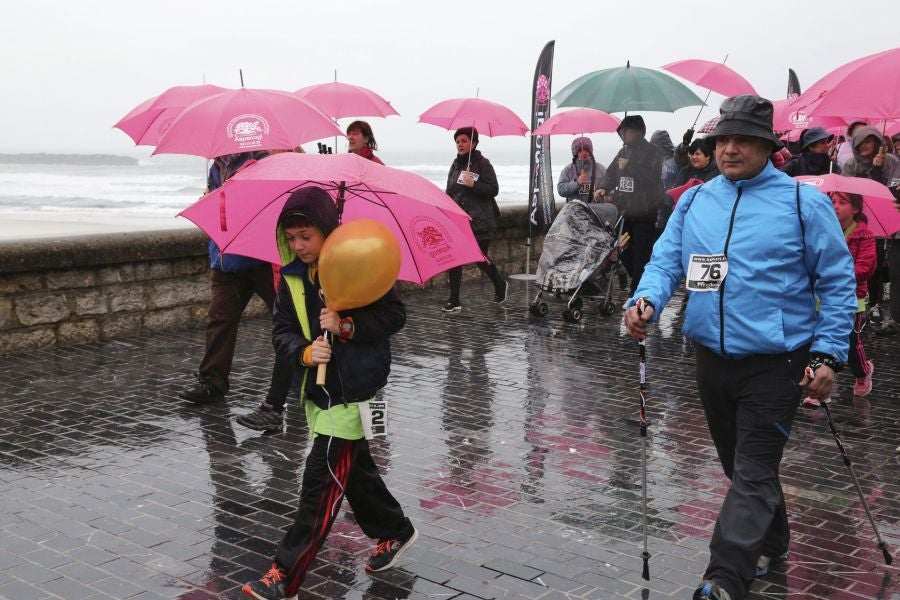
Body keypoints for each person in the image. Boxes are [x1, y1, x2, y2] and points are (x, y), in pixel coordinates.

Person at [623, 95, 856, 600]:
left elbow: (838, 283)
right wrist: (645, 300)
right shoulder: (694, 201)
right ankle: (774, 540)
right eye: (722, 140)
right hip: (710, 360)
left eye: (742, 140)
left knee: (752, 470)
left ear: (767, 147)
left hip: (778, 363)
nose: (729, 149)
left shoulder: (803, 204)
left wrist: (828, 353)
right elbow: (666, 261)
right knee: (742, 467)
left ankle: (725, 578)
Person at [242, 187, 417, 600]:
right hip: (318, 393)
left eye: (307, 236)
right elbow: (282, 332)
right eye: (292, 237)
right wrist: (305, 353)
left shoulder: (361, 259)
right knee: (354, 473)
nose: (299, 246)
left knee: (320, 483)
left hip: (356, 393)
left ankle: (285, 575)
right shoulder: (292, 279)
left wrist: (347, 327)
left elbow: (394, 316)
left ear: (327, 231)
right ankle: (396, 530)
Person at [180, 152, 293, 430]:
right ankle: (212, 382)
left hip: (262, 259)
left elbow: (270, 208)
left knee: (288, 321)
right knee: (219, 321)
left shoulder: (261, 162)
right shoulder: (215, 168)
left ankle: (305, 373)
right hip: (225, 260)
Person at [801, 192, 875, 404]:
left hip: (853, 299)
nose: (835, 206)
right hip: (820, 297)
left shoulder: (863, 235)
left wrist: (838, 272)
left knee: (851, 344)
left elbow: (867, 266)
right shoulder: (822, 230)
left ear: (855, 209)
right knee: (818, 343)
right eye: (833, 201)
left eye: (843, 202)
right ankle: (818, 391)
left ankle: (863, 371)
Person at [594, 115, 664, 295]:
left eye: (627, 131)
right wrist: (602, 187)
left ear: (638, 132)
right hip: (624, 212)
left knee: (642, 254)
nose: (623, 135)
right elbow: (611, 174)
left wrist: (630, 166)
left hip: (644, 213)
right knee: (622, 250)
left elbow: (652, 178)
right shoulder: (623, 152)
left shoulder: (654, 152)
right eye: (621, 132)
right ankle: (642, 281)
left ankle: (636, 294)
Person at [442, 127, 508, 312]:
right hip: (459, 221)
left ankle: (500, 283)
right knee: (455, 258)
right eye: (457, 142)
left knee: (480, 258)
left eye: (464, 141)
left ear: (474, 143)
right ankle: (454, 299)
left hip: (480, 221)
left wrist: (474, 184)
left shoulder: (483, 164)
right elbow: (450, 190)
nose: (460, 144)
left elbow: (493, 189)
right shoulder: (455, 165)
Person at [557, 137, 606, 203]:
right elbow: (561, 190)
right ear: (575, 153)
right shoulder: (568, 170)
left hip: (596, 208)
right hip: (574, 208)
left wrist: (602, 192)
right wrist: (577, 183)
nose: (584, 153)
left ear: (590, 152)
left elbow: (609, 187)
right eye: (580, 151)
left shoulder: (600, 169)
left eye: (586, 150)